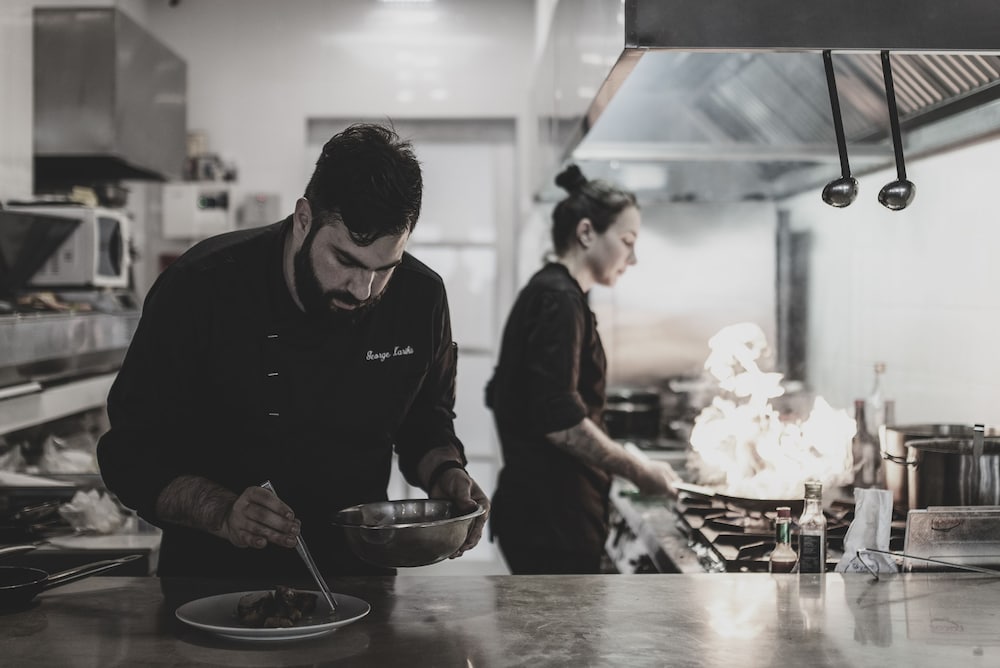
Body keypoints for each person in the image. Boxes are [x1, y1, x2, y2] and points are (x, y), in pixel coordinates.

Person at [97, 122, 489, 579]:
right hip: (211, 588)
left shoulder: (420, 298)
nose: (363, 290)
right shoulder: (200, 287)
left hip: (358, 583)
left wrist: (448, 476)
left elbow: (426, 424)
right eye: (345, 260)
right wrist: (221, 510)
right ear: (304, 219)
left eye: (385, 268)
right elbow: (130, 455)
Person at [485, 164, 679, 574]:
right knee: (555, 640)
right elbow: (562, 421)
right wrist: (639, 471)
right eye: (628, 241)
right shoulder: (560, 300)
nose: (634, 258)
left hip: (545, 519)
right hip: (552, 523)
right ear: (587, 232)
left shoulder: (554, 292)